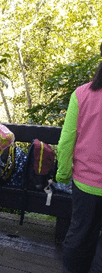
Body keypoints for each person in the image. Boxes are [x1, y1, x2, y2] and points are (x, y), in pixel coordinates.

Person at [56, 42, 102, 273]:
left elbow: (66, 141)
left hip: (84, 183)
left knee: (79, 234)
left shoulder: (83, 94)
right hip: (87, 182)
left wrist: (63, 174)